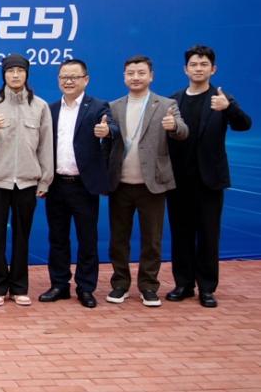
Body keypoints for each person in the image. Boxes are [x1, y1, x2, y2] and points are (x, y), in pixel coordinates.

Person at [166, 45, 251, 308]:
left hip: (209, 180)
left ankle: (206, 288)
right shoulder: (174, 100)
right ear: (185, 69)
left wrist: (228, 108)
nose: (198, 69)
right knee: (180, 234)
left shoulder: (221, 98)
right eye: (193, 64)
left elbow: (244, 124)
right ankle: (183, 284)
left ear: (213, 69)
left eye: (204, 64)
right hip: (179, 180)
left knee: (208, 235)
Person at [0, 54, 53, 307]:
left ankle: (19, 287)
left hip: (27, 182)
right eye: (10, 71)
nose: (15, 75)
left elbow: (46, 146)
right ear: (3, 75)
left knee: (22, 237)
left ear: (26, 74)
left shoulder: (40, 106)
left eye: (20, 70)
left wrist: (45, 180)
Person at [106, 55, 188, 307]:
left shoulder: (166, 105)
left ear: (151, 76)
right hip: (120, 184)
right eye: (130, 73)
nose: (136, 77)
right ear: (124, 77)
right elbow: (109, 141)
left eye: (141, 73)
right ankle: (120, 284)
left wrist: (174, 126)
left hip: (153, 184)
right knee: (118, 239)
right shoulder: (114, 106)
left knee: (152, 239)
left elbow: (183, 132)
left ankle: (149, 286)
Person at [39, 59, 117, 309]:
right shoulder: (50, 109)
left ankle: (86, 287)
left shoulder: (97, 107)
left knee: (87, 239)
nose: (68, 81)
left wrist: (107, 132)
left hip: (84, 185)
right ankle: (59, 284)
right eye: (64, 77)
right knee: (58, 238)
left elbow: (112, 127)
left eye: (74, 76)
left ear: (86, 79)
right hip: (56, 185)